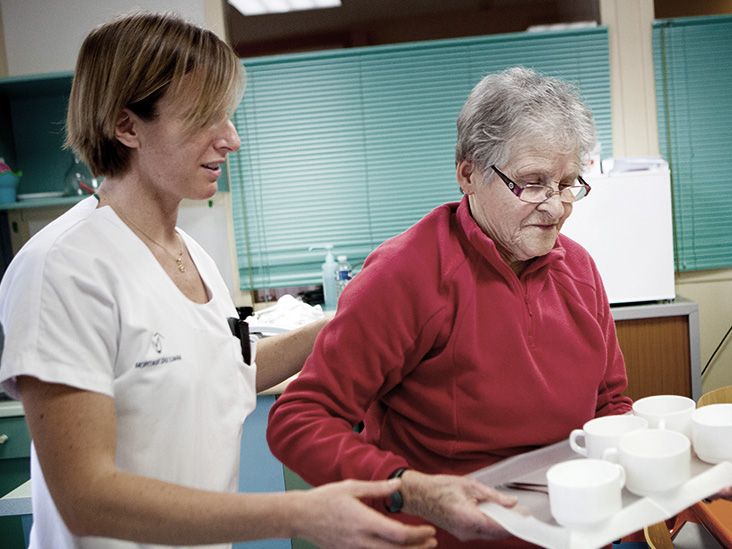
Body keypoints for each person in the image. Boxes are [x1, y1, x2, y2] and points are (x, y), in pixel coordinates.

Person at [0, 12, 437, 549]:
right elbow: (86, 495)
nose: (230, 139)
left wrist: (353, 318)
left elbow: (225, 372)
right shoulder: (64, 267)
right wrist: (298, 513)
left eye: (227, 116)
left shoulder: (194, 258)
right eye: (205, 117)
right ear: (126, 126)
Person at [266, 66, 635, 548]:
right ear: (468, 174)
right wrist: (408, 489)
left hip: (574, 533)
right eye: (533, 182)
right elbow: (300, 418)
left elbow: (611, 405)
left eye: (568, 183)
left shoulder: (580, 270)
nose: (557, 206)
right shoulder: (407, 274)